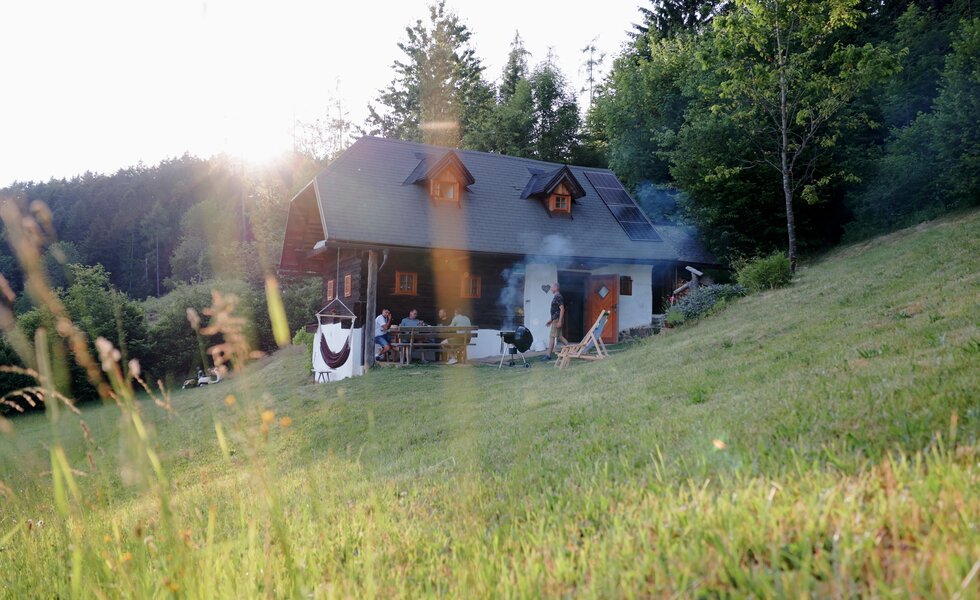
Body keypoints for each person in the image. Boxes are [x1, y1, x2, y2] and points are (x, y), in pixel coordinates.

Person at [544, 282, 568, 360]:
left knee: (552, 336)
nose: (551, 288)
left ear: (556, 288)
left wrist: (560, 321)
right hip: (555, 319)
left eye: (552, 287)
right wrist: (551, 320)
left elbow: (562, 309)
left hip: (557, 320)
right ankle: (572, 349)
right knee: (559, 337)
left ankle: (548, 355)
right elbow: (556, 311)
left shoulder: (558, 297)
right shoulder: (557, 296)